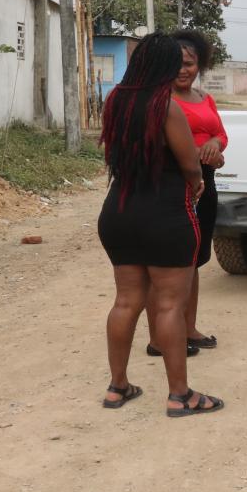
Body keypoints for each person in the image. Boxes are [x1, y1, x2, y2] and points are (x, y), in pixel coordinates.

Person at [97, 32, 224, 417]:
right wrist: (197, 184)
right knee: (170, 304)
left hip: (118, 211)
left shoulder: (115, 101)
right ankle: (180, 395)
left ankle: (118, 387)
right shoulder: (166, 107)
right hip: (166, 214)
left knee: (125, 301)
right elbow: (189, 164)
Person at [143, 29, 227, 357]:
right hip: (173, 183)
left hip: (205, 183)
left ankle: (188, 328)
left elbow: (220, 133)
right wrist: (197, 151)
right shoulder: (160, 101)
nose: (183, 69)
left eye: (190, 63)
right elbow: (161, 144)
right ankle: (159, 338)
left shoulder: (205, 98)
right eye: (177, 62)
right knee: (166, 266)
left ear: (200, 65)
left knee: (192, 262)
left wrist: (214, 146)